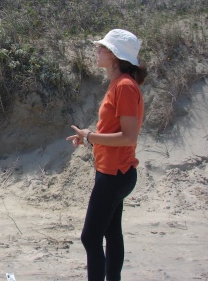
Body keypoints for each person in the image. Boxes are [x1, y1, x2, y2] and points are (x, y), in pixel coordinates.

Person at [66, 29, 148, 281]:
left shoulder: (124, 86)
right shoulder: (119, 84)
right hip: (116, 172)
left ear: (115, 56)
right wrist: (90, 138)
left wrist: (90, 136)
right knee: (111, 234)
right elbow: (115, 133)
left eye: (103, 47)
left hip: (115, 175)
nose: (97, 50)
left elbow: (128, 137)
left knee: (90, 237)